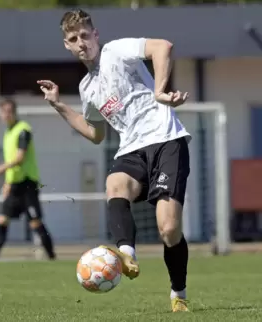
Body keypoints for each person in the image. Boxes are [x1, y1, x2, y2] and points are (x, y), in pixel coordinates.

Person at [37, 9, 191, 312]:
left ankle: (179, 294)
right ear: (67, 46)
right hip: (131, 149)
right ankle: (125, 253)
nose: (81, 42)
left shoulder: (116, 51)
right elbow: (95, 133)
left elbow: (162, 47)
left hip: (165, 140)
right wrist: (59, 106)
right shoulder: (87, 88)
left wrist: (159, 91)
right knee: (114, 183)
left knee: (169, 229)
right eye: (73, 39)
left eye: (84, 35)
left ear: (95, 35)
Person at [0, 98, 56, 263]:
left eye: (9, 111)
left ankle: (52, 257)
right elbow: (11, 163)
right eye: (3, 111)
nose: (6, 114)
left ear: (14, 112)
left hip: (27, 184)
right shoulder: (8, 133)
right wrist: (7, 183)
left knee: (35, 223)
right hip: (14, 186)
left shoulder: (23, 130)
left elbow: (19, 159)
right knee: (1, 219)